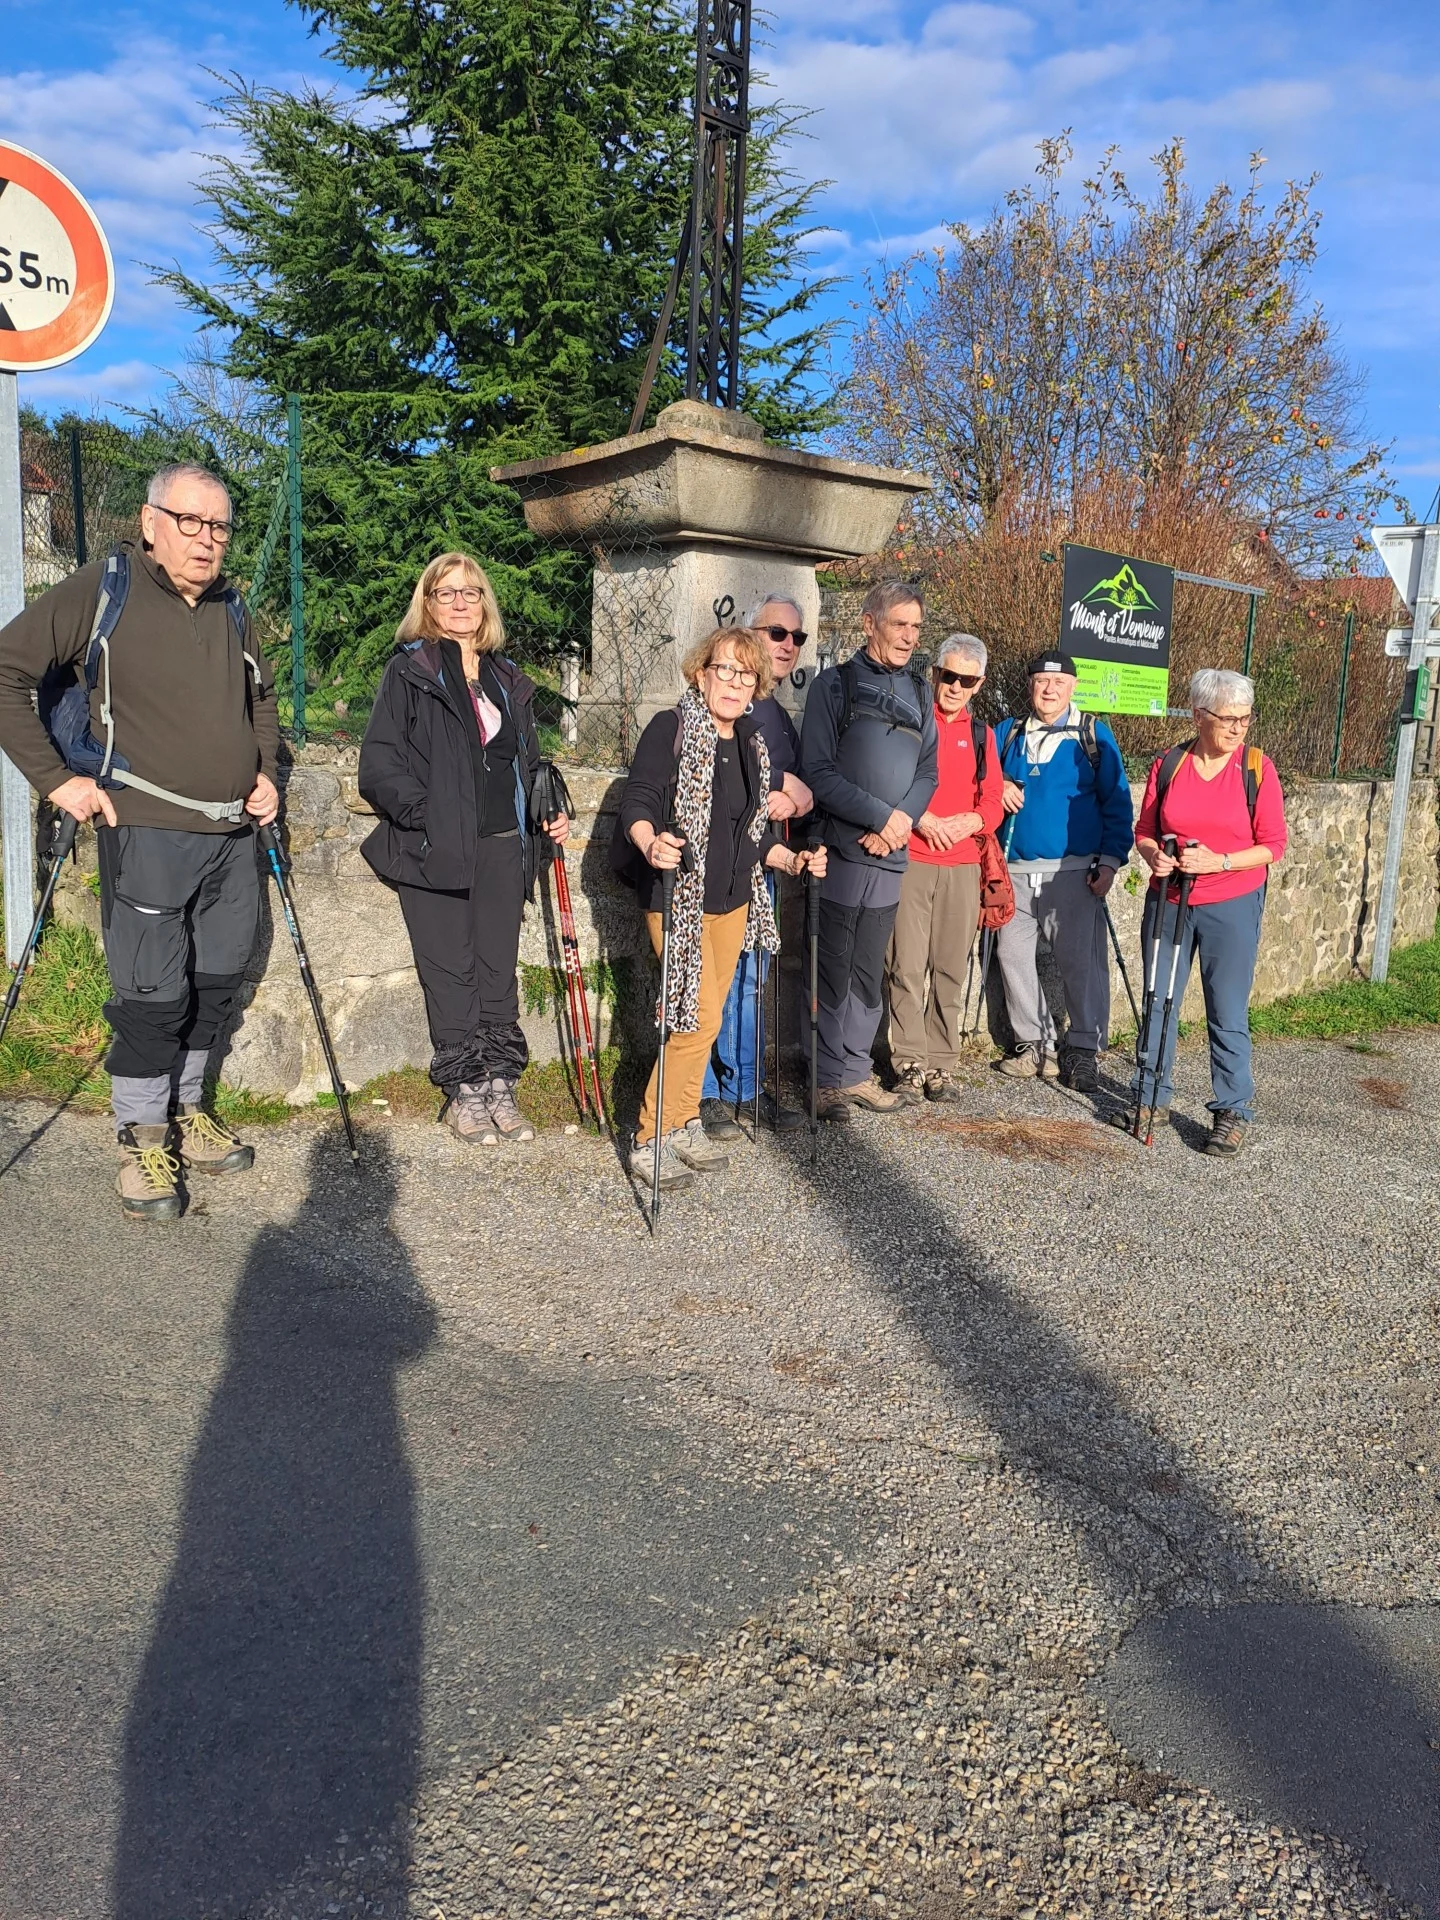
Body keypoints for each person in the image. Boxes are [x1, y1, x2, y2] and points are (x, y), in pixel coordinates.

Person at [0, 463, 279, 1223]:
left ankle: (188, 1113)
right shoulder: (104, 587)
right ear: (152, 522)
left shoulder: (231, 606)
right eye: (190, 522)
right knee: (152, 994)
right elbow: (6, 669)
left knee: (216, 982)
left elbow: (261, 697)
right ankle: (141, 1143)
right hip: (145, 828)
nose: (207, 540)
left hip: (232, 833)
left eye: (219, 526)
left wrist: (268, 772)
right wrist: (58, 782)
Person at [358, 553, 568, 1145]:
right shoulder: (410, 673)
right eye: (445, 593)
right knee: (450, 971)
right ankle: (464, 1091)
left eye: (470, 592)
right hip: (436, 850)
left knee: (497, 970)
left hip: (505, 846)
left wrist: (543, 813)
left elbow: (523, 763)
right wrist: (431, 820)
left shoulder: (507, 677)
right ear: (427, 604)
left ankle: (502, 1081)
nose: (458, 603)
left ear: (484, 604)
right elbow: (379, 766)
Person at [618, 626, 827, 1192]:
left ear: (757, 685)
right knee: (696, 1018)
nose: (734, 682)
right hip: (678, 895)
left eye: (745, 674)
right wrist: (650, 842)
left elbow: (752, 834)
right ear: (701, 672)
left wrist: (790, 860)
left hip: (733, 901)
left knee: (702, 1021)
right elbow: (637, 800)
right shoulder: (672, 729)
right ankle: (649, 1133)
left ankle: (684, 1119)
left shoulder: (754, 745)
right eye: (724, 669)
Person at [1117, 668, 1287, 1155]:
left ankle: (1232, 1108)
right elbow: (1144, 828)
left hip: (1231, 902)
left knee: (1226, 1008)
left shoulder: (1256, 768)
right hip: (1170, 898)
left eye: (1245, 718)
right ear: (1198, 714)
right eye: (1227, 718)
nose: (1237, 728)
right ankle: (1151, 1096)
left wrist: (1220, 861)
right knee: (1159, 1000)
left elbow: (1273, 845)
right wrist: (1153, 855)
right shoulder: (1169, 763)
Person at [799, 580, 938, 1123]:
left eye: (916, 626)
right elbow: (818, 772)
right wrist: (881, 817)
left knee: (866, 968)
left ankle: (855, 1072)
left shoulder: (921, 692)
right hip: (843, 849)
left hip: (891, 854)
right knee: (832, 962)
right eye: (898, 624)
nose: (908, 636)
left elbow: (928, 772)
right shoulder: (834, 686)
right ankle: (826, 1077)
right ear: (869, 623)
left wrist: (900, 823)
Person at [699, 593, 815, 1139]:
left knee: (749, 981)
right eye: (777, 633)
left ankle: (742, 1087)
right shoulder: (725, 708)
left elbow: (802, 792)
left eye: (797, 637)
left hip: (763, 862)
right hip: (716, 866)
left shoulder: (775, 712)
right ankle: (705, 1092)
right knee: (711, 980)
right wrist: (781, 790)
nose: (788, 645)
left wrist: (794, 798)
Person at [994, 650, 1132, 1091]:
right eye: (1040, 682)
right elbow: (978, 779)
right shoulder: (1008, 732)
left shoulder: (1092, 734)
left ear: (1073, 687)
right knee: (1010, 956)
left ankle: (1083, 1049)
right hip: (1013, 868)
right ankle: (1035, 1044)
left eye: (1058, 683)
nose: (1048, 690)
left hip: (1071, 871)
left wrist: (1110, 861)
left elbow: (1117, 801)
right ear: (1030, 685)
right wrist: (998, 787)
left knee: (1080, 964)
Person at [885, 633, 1004, 1104]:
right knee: (906, 965)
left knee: (950, 968)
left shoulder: (982, 736)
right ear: (933, 673)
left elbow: (993, 802)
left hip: (962, 865)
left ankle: (941, 1064)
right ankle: (909, 1062)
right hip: (912, 858)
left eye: (965, 679)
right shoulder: (909, 724)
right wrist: (924, 818)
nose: (953, 686)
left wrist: (970, 820)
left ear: (979, 684)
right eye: (946, 675)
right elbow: (888, 783)